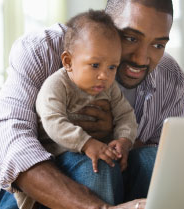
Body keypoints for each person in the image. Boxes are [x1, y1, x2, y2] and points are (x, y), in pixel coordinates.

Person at [0, 0, 184, 208]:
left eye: (158, 45)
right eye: (130, 38)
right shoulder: (42, 49)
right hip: (25, 189)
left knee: (152, 160)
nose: (141, 59)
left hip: (117, 183)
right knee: (97, 167)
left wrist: (116, 137)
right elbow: (12, 142)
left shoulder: (171, 78)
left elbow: (163, 162)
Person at [15, 10, 138, 209]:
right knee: (99, 167)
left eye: (112, 67)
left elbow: (126, 115)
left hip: (92, 151)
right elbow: (52, 121)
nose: (104, 76)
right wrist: (86, 142)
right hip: (59, 157)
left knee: (113, 162)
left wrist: (124, 139)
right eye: (95, 65)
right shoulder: (57, 85)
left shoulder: (110, 88)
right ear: (68, 62)